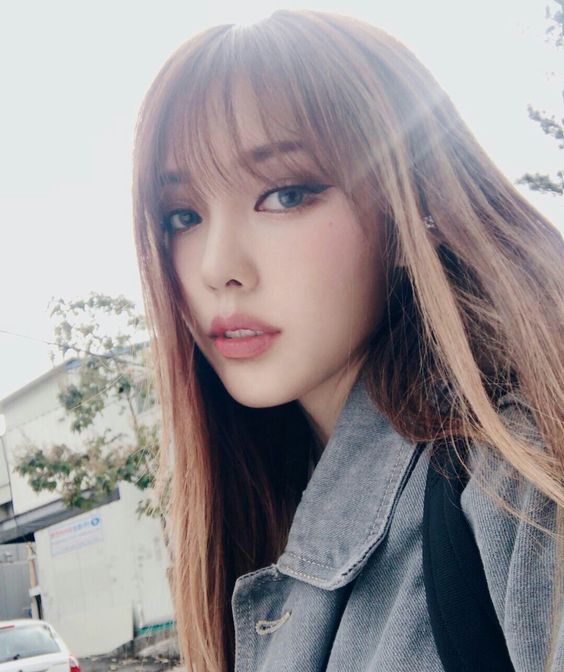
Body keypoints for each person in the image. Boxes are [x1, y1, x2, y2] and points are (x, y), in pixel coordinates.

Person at [132, 10, 563, 672]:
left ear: (409, 205)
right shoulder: (257, 516)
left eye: (284, 195)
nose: (218, 266)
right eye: (183, 216)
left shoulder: (517, 475)